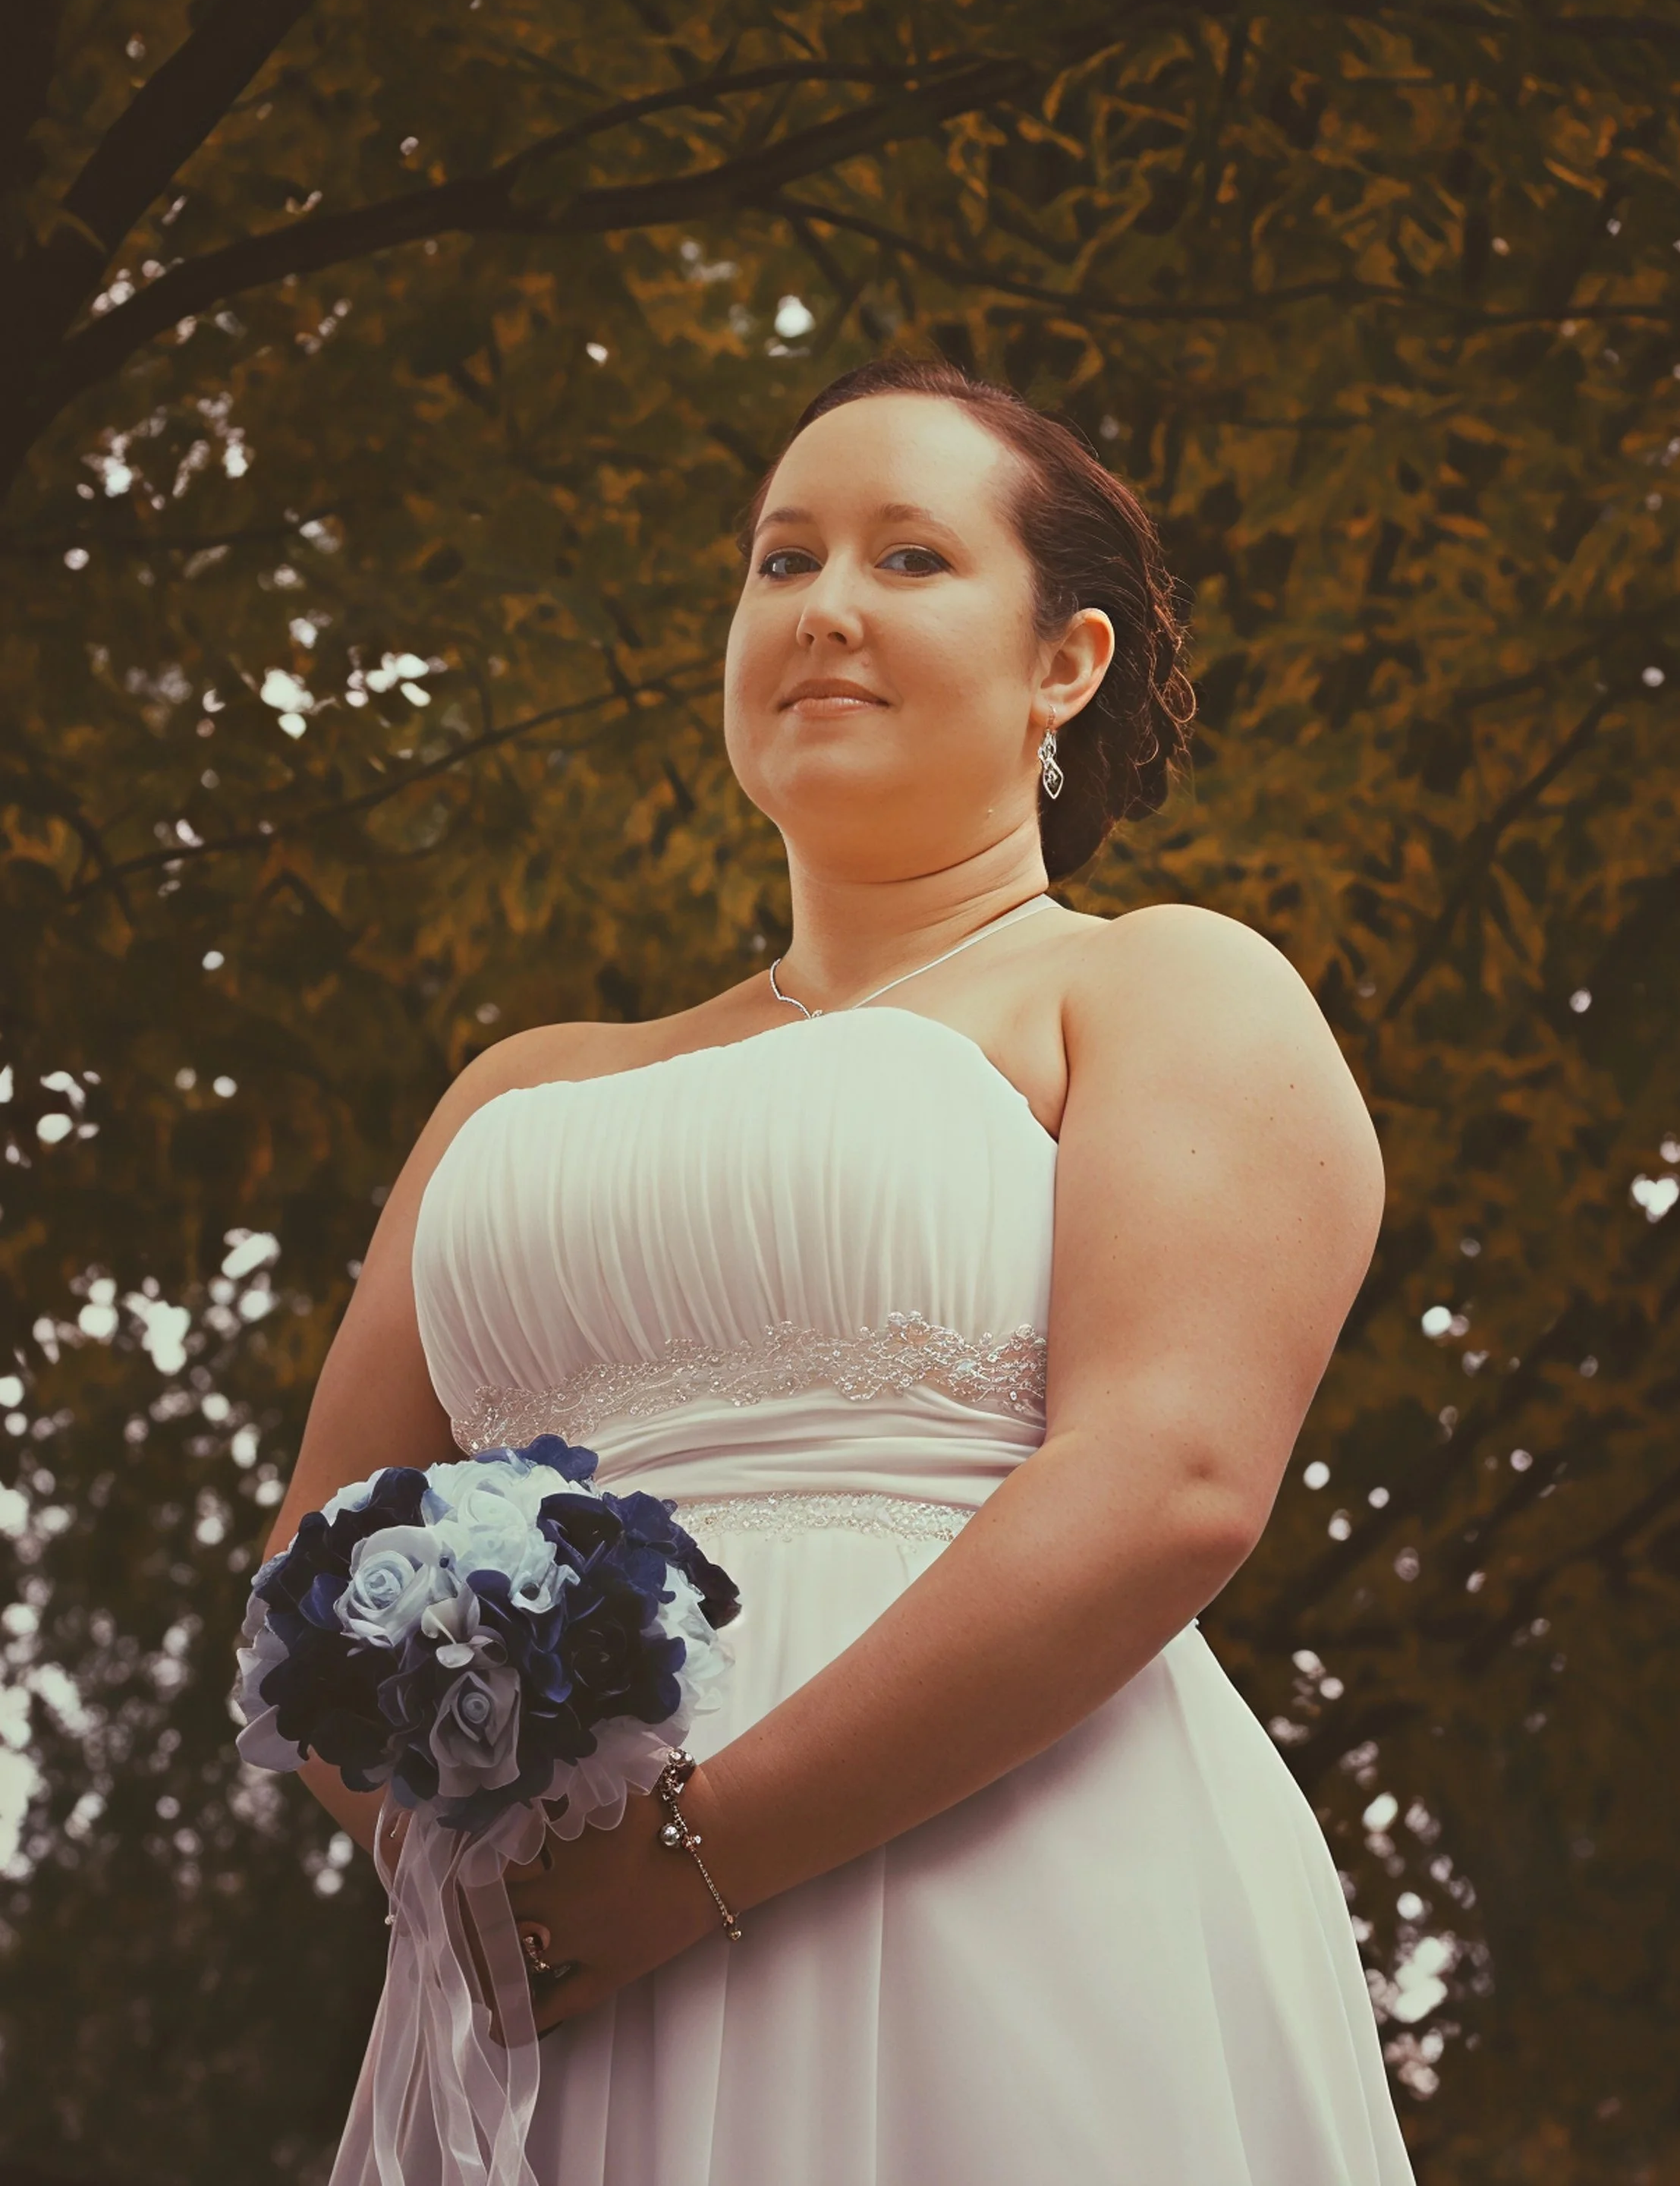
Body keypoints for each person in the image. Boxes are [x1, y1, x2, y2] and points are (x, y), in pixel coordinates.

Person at [264, 355, 1416, 2186]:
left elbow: (1168, 1481)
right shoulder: (518, 1085)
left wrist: (682, 1863)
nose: (824, 610)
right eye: (781, 560)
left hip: (997, 1887)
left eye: (909, 560)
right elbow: (315, 1550)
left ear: (1066, 664)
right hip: (542, 1980)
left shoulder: (1158, 990)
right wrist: (462, 1877)